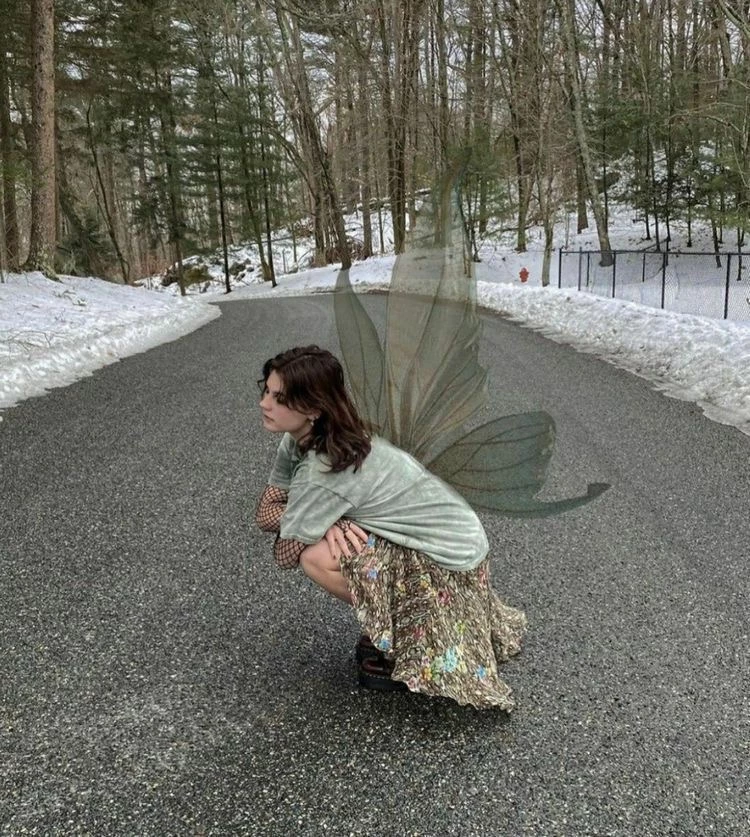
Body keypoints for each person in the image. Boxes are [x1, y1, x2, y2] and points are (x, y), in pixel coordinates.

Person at [254, 345, 527, 710]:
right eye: (266, 391)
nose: (264, 404)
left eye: (280, 398)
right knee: (325, 538)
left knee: (314, 557)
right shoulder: (305, 437)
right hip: (450, 536)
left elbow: (285, 552)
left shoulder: (323, 469)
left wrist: (319, 518)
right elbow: (264, 512)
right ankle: (393, 625)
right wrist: (324, 517)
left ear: (314, 409)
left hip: (450, 558)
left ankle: (403, 639)